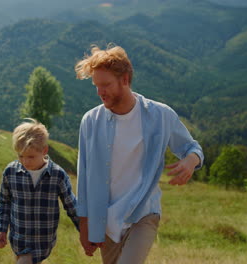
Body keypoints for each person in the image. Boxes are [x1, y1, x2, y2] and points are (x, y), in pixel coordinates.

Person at [74, 45, 204, 264]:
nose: (100, 92)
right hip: (106, 221)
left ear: (124, 80)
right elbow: (84, 176)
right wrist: (85, 227)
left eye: (105, 85)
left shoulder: (160, 115)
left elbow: (192, 147)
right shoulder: (90, 121)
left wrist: (191, 161)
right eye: (96, 86)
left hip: (144, 212)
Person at [0, 119, 79, 264]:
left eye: (31, 156)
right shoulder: (11, 172)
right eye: (20, 156)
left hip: (43, 242)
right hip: (19, 240)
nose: (25, 161)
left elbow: (71, 206)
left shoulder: (57, 175)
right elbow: (5, 203)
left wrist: (86, 233)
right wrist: (1, 230)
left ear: (44, 150)